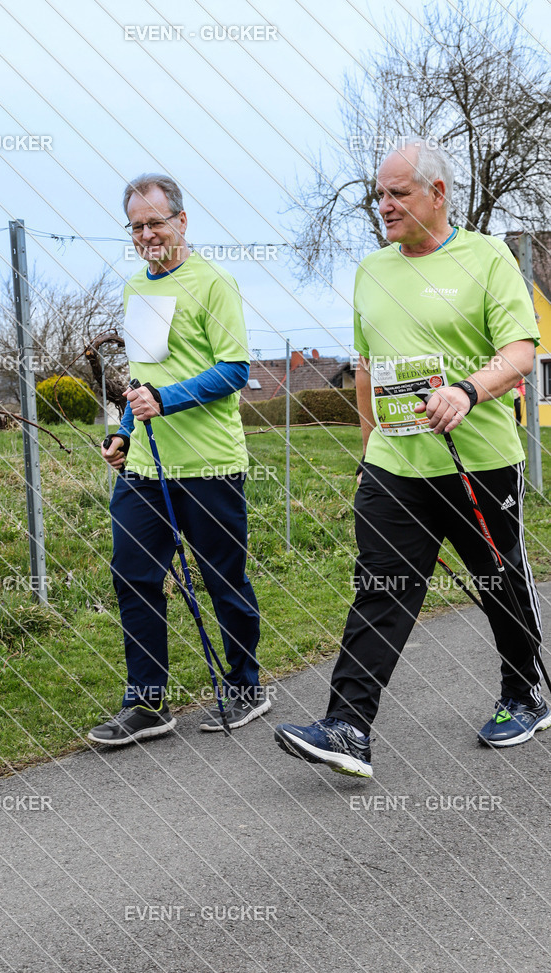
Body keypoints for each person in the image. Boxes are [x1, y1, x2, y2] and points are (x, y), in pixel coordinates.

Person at [275, 138, 549, 779]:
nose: (385, 206)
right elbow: (367, 367)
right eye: (379, 195)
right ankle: (348, 726)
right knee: (382, 586)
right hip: (395, 466)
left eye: (398, 193)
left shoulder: (485, 258)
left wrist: (466, 391)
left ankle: (523, 694)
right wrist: (369, 445)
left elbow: (521, 353)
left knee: (499, 582)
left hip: (476, 459)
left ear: (438, 193)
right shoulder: (373, 271)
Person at [87, 173, 266, 747]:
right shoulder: (135, 288)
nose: (146, 236)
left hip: (210, 464)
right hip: (146, 467)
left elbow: (234, 370)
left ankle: (246, 687)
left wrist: (167, 400)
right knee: (134, 575)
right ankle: (147, 704)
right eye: (136, 227)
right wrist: (123, 431)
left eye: (156, 223)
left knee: (223, 580)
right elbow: (143, 378)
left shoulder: (214, 284)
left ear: (181, 222)